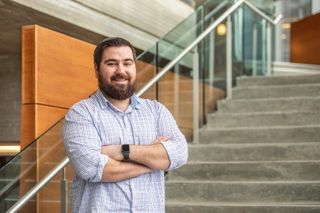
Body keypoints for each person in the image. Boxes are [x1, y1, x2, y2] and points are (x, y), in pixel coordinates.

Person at [62, 37, 188, 213]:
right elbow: (92, 168)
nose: (121, 70)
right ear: (97, 70)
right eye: (111, 63)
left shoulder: (156, 111)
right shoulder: (81, 113)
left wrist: (123, 151)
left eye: (127, 63)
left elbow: (180, 153)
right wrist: (153, 161)